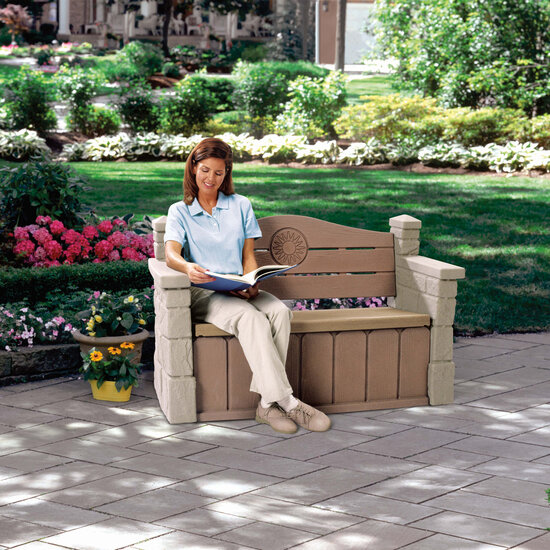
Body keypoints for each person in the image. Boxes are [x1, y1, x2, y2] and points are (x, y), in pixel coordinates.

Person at [164, 138, 331, 434]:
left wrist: (252, 283)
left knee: (279, 312)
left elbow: (248, 257)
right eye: (204, 170)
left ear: (227, 173)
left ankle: (266, 405)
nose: (210, 179)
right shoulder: (180, 211)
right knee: (250, 318)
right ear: (192, 168)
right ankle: (290, 403)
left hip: (239, 287)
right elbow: (171, 254)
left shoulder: (240, 205)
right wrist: (187, 267)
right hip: (206, 292)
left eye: (219, 173)